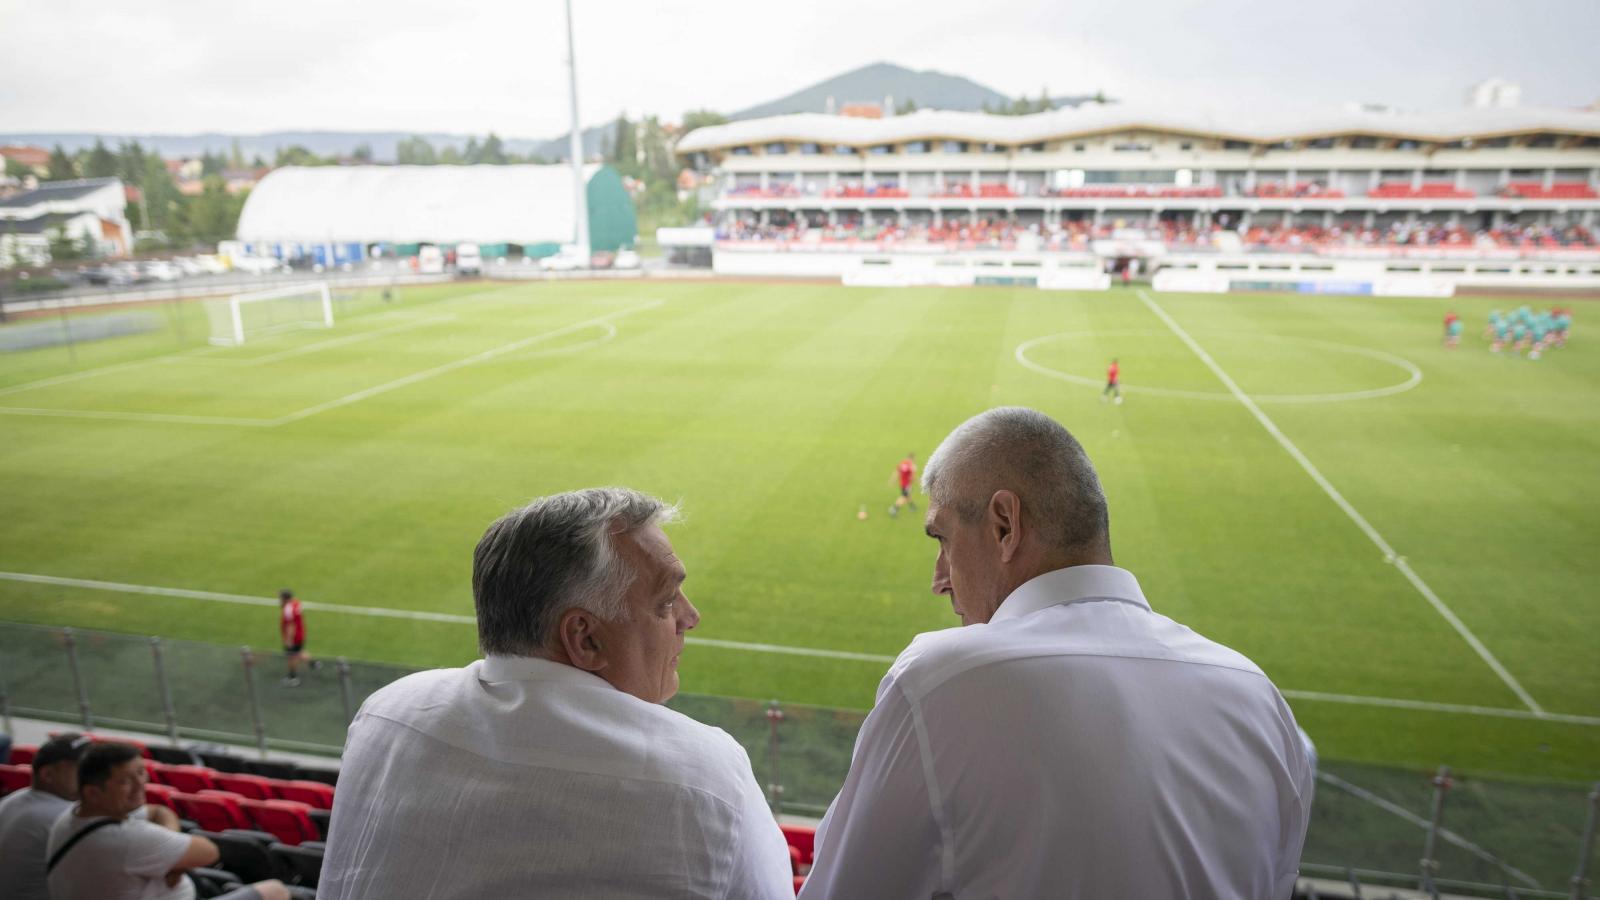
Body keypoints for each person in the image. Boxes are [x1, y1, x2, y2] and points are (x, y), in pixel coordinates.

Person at [799, 408, 1313, 899]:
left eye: (943, 539)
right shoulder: (1260, 702)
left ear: (1004, 524)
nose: (939, 579)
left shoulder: (940, 686)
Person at [319, 488, 793, 899]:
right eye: (666, 601)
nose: (690, 618)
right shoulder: (706, 776)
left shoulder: (385, 714)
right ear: (585, 638)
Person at [45, 741, 287, 900]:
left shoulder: (71, 818)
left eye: (141, 772)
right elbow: (209, 852)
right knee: (276, 891)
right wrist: (174, 858)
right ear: (92, 792)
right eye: (126, 781)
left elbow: (159, 811)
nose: (142, 785)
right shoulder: (125, 839)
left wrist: (173, 860)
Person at [0, 733, 91, 900]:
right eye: (84, 768)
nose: (94, 775)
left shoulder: (14, 799)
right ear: (48, 774)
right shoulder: (64, 817)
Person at [278, 588, 316, 686]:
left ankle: (292, 677)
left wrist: (289, 640)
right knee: (299, 652)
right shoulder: (296, 603)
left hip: (294, 637)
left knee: (292, 656)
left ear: (285, 599)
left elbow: (291, 626)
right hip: (301, 634)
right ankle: (313, 663)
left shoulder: (288, 609)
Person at [888, 452, 917, 517]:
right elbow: (912, 477)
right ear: (912, 458)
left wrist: (892, 480)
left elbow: (897, 472)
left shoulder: (902, 463)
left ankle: (912, 506)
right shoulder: (912, 466)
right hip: (907, 485)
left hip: (902, 484)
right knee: (903, 497)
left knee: (908, 495)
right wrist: (918, 481)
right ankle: (894, 509)